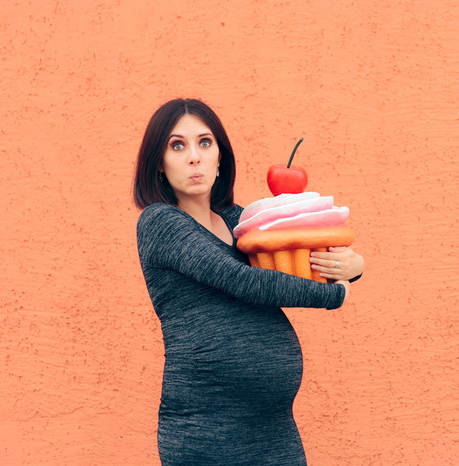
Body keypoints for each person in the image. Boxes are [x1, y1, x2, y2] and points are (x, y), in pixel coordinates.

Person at [133, 98, 364, 465]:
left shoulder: (238, 221)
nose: (194, 157)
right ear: (158, 164)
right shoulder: (160, 222)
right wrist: (333, 294)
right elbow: (243, 280)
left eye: (204, 143)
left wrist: (350, 266)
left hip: (274, 428)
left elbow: (293, 261)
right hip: (208, 430)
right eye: (178, 146)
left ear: (220, 156)